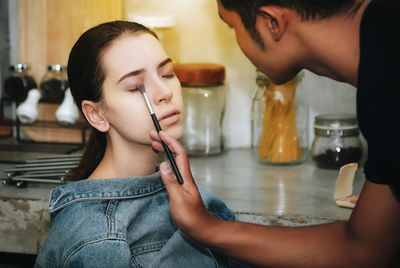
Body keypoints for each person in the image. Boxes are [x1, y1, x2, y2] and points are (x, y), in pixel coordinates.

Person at [150, 0, 400, 267]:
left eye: (231, 26)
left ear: (273, 23)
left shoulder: (389, 87)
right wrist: (206, 227)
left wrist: (207, 228)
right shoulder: (384, 50)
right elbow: (366, 247)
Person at [34, 21, 249, 268]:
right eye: (136, 87)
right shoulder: (101, 239)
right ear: (96, 115)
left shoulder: (191, 200)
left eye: (167, 73)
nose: (164, 92)